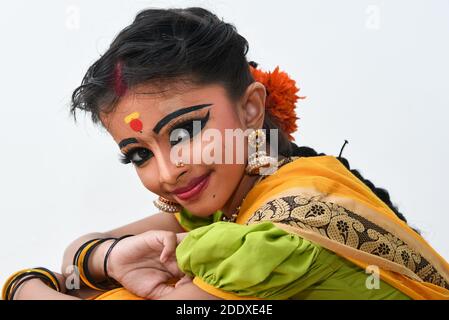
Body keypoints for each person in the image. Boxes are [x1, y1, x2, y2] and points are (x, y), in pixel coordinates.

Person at [4, 7, 449, 300]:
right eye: (138, 155)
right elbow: (78, 250)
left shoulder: (292, 219)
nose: (167, 172)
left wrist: (28, 284)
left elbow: (65, 280)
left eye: (184, 133)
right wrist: (108, 259)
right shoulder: (229, 204)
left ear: (251, 107)